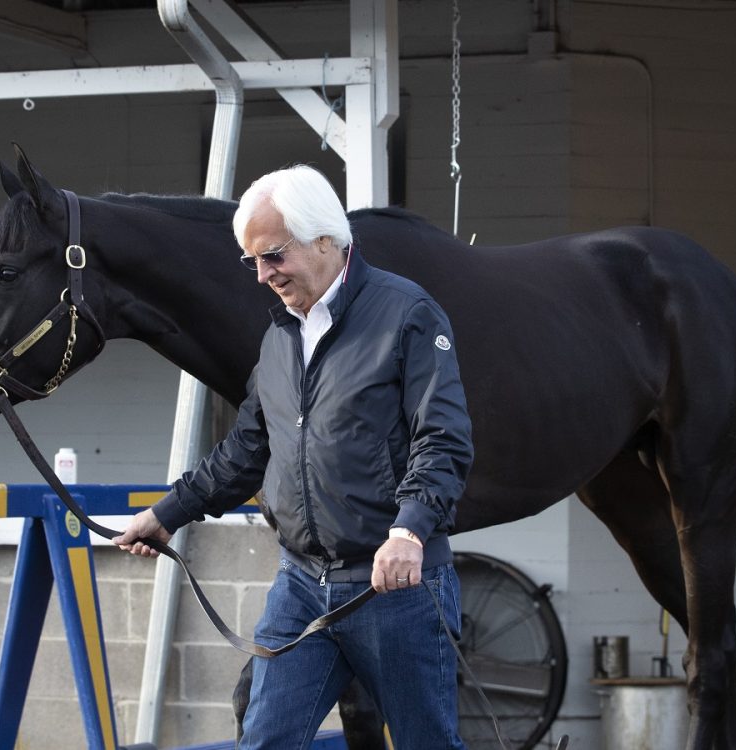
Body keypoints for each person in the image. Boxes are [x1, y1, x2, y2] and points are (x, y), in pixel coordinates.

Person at [113, 165, 474, 749]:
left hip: (396, 591)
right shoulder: (281, 335)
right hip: (302, 585)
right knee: (264, 741)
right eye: (252, 261)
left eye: (273, 256)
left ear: (326, 238)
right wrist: (167, 514)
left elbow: (444, 437)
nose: (262, 275)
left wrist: (408, 531)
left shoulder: (408, 314)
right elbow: (248, 448)